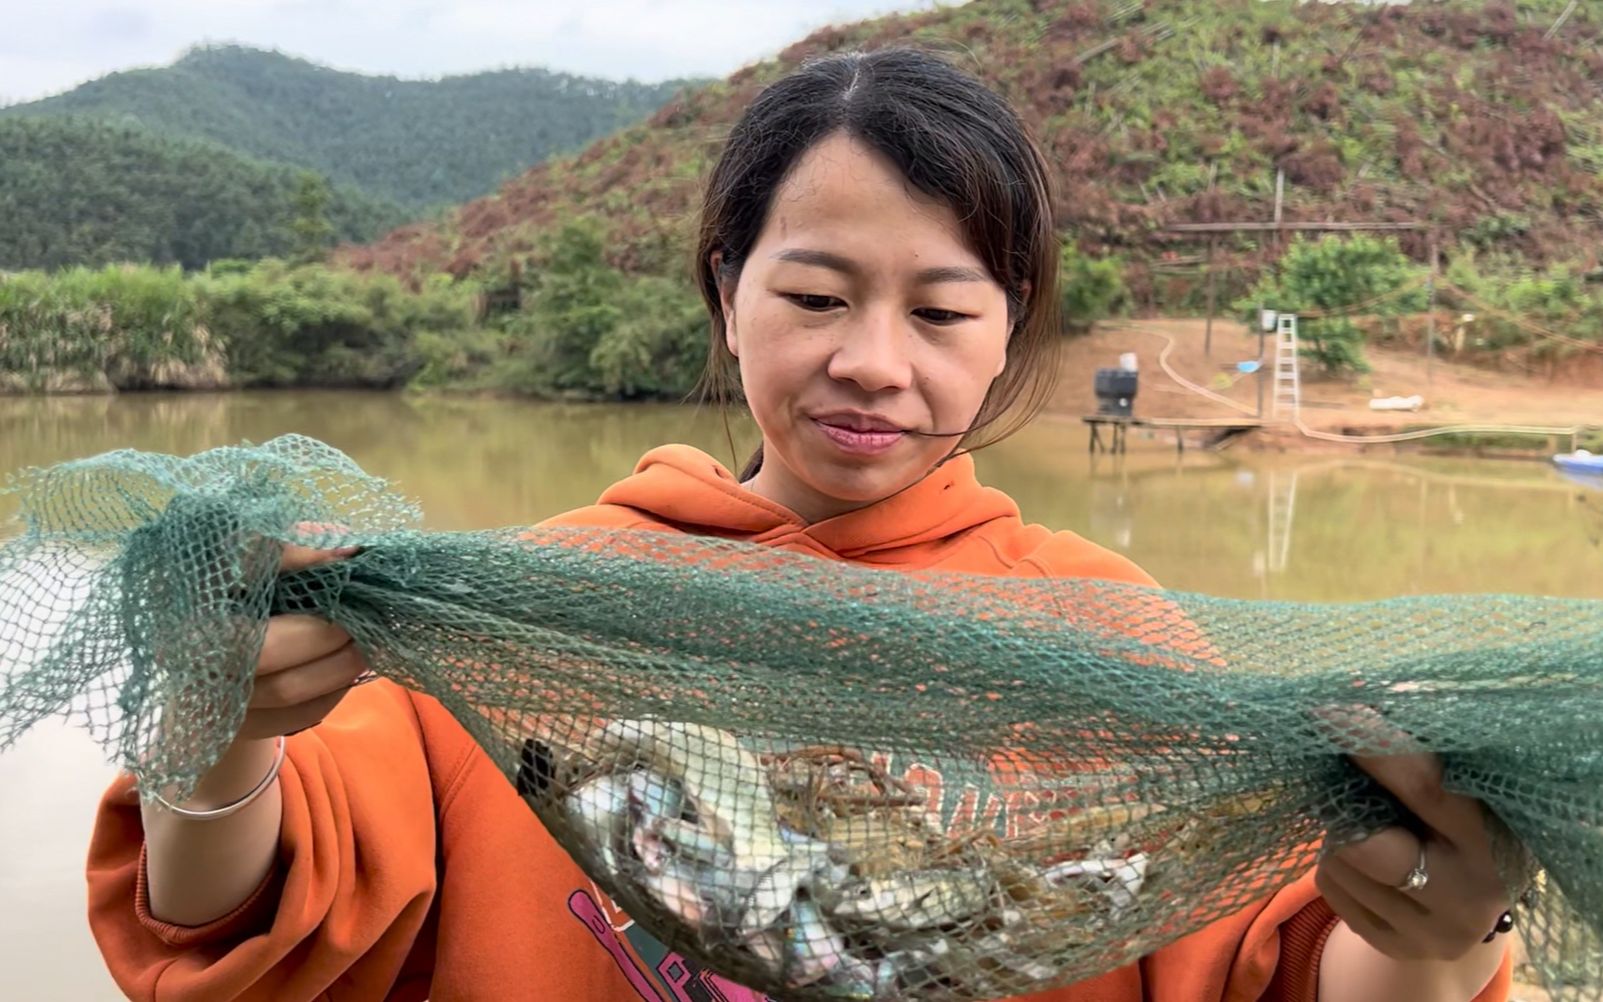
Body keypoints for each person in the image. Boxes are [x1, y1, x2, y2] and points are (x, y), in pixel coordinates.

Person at [87, 47, 1516, 1002]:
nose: (876, 363)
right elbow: (236, 928)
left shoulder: (1114, 633)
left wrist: (1434, 934)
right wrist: (220, 735)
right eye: (818, 296)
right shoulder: (530, 614)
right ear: (727, 290)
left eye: (944, 310)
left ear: (1013, 329)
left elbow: (1293, 967)